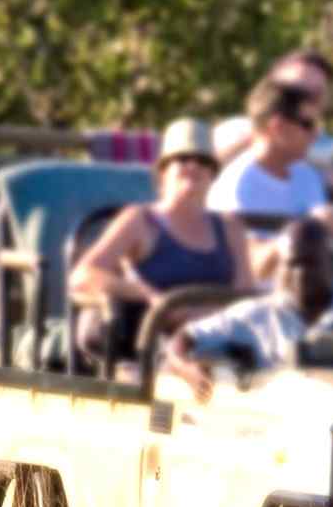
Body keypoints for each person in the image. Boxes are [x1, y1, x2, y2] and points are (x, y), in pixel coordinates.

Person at [68, 118, 253, 367]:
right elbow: (82, 275)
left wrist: (200, 318)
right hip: (148, 354)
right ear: (164, 171)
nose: (193, 166)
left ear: (213, 174)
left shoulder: (230, 227)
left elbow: (244, 294)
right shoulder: (140, 220)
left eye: (203, 161)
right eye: (182, 158)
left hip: (218, 347)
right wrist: (149, 297)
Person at [162, 219, 333, 401]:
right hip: (279, 421)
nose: (301, 273)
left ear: (329, 262)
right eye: (292, 264)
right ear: (280, 265)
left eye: (310, 263)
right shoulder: (257, 314)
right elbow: (185, 338)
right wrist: (186, 369)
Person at [207, 78, 333, 278]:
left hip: (312, 297)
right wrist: (306, 229)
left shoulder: (307, 175)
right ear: (277, 127)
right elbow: (252, 268)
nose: (316, 135)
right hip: (259, 304)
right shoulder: (235, 187)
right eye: (308, 124)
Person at [214, 49, 333, 166]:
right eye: (296, 89)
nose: (306, 99)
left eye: (316, 93)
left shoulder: (325, 145)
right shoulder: (234, 131)